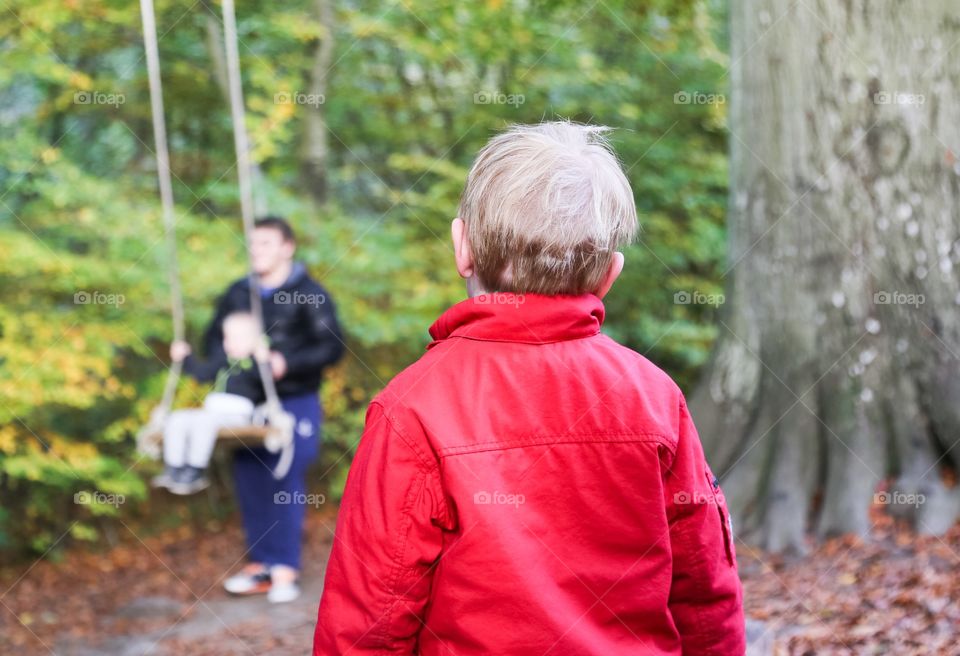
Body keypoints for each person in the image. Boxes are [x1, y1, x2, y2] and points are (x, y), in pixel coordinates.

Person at [313, 122, 746, 654]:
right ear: (611, 274)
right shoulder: (653, 395)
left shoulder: (411, 407)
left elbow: (367, 621)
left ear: (462, 248)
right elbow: (704, 588)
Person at [206, 216, 344, 604]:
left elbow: (331, 347)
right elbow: (212, 341)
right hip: (247, 405)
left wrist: (287, 362)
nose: (257, 251)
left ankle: (284, 567)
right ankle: (260, 566)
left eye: (265, 243)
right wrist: (227, 361)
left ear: (287, 247)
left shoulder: (310, 293)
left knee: (284, 478)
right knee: (249, 477)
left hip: (294, 401)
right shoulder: (237, 293)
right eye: (252, 244)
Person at [151, 311, 267, 495]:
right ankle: (174, 466)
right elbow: (201, 374)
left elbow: (267, 384)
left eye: (238, 338)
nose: (230, 343)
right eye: (227, 338)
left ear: (255, 341)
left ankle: (195, 469)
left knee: (205, 422)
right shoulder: (222, 361)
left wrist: (263, 360)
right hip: (212, 411)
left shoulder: (256, 364)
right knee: (178, 417)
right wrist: (185, 357)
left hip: (238, 416)